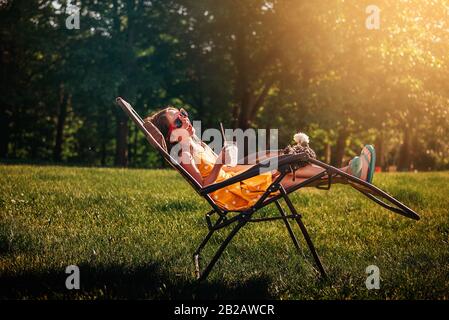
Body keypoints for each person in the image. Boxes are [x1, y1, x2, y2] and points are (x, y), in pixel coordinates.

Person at [144, 106, 376, 211]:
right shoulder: (184, 153)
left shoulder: (193, 143)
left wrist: (235, 158)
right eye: (177, 122)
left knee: (280, 161)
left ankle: (348, 173)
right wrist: (220, 162)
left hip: (234, 181)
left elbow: (225, 167)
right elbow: (205, 187)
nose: (184, 120)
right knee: (283, 173)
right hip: (230, 194)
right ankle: (349, 174)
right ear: (171, 134)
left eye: (182, 114)